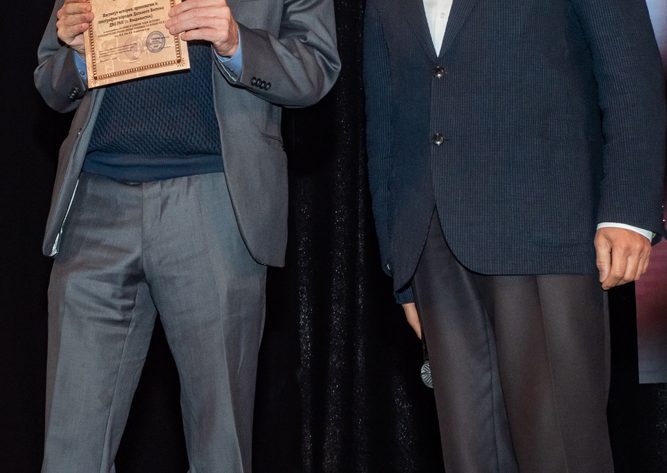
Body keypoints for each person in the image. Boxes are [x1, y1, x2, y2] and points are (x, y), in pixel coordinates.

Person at [34, 0, 339, 471]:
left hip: (215, 204)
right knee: (69, 453)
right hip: (93, 205)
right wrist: (78, 53)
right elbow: (50, 82)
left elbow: (316, 68)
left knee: (220, 450)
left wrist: (237, 42)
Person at [363, 0, 665, 472]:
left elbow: (631, 69)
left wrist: (627, 211)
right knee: (470, 456)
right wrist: (399, 263)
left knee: (561, 451)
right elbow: (385, 113)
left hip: (544, 226)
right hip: (431, 238)